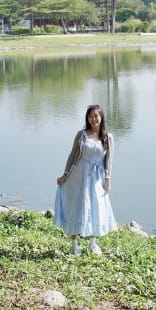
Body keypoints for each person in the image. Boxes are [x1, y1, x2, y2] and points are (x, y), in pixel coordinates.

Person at [54, 104, 117, 255]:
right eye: (90, 116)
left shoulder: (108, 137)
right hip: (79, 174)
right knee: (76, 205)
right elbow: (72, 155)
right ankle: (74, 244)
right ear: (87, 118)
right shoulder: (81, 135)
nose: (93, 119)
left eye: (96, 116)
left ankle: (93, 243)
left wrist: (108, 179)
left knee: (96, 206)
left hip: (97, 177)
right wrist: (65, 174)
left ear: (101, 117)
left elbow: (109, 160)